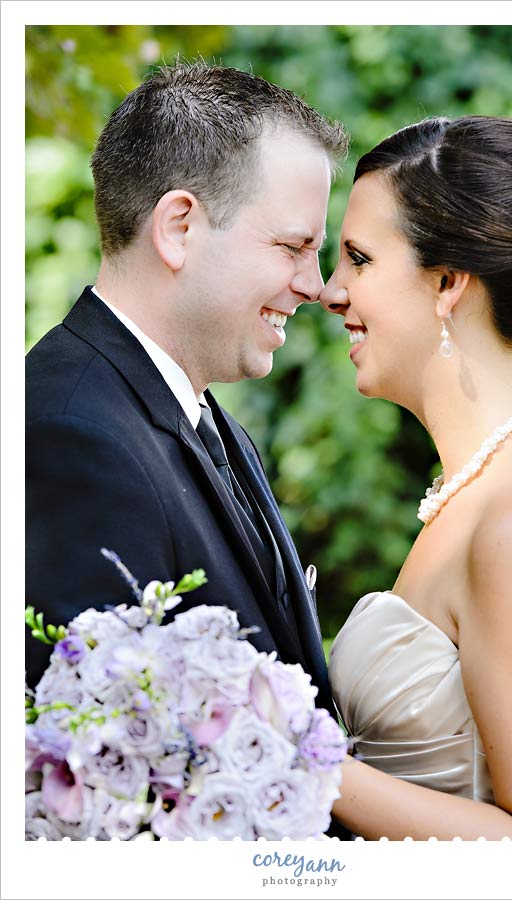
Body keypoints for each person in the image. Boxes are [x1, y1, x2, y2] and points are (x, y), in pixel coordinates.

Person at [25, 56, 348, 754]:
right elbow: (102, 761)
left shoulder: (203, 418)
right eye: (294, 246)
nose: (315, 285)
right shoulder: (69, 435)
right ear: (178, 228)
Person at [319, 114, 512, 840]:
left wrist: (301, 762)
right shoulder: (481, 484)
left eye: (359, 259)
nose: (330, 292)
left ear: (449, 281)